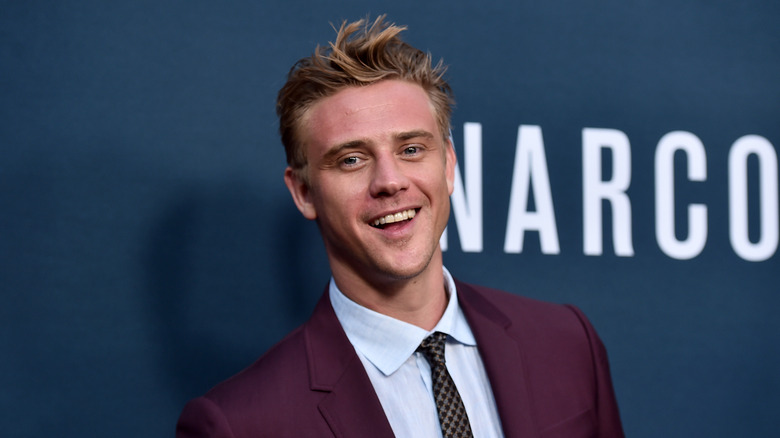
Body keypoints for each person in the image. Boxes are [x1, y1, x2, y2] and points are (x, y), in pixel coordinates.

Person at [176, 16, 624, 438]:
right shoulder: (241, 425)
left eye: (411, 149)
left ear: (448, 164)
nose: (390, 182)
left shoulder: (567, 344)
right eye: (351, 159)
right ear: (304, 193)